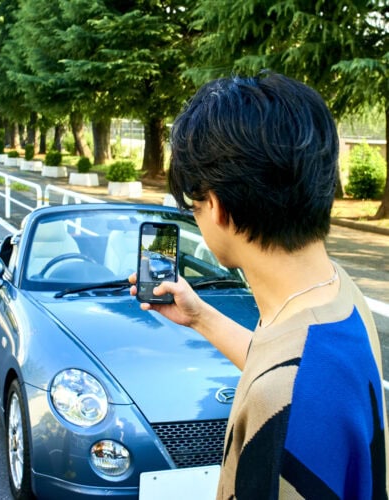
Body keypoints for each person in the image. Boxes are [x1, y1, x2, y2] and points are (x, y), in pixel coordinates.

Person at [130, 73, 388, 498]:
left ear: (216, 206)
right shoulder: (338, 294)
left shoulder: (284, 411)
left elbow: (286, 385)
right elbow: (286, 360)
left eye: (193, 205)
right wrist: (200, 318)